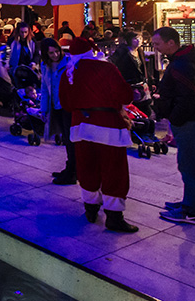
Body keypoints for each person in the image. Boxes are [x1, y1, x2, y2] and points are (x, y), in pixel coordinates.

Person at [58, 37, 139, 233]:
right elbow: (125, 95)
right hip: (108, 126)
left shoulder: (68, 72)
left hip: (81, 127)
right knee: (114, 170)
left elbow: (66, 104)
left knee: (87, 167)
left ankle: (90, 208)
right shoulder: (106, 68)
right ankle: (114, 216)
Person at [151, 27, 195, 225]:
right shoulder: (184, 60)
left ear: (171, 43)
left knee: (188, 165)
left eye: (157, 44)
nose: (155, 48)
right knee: (187, 164)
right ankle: (189, 202)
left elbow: (188, 99)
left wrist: (175, 120)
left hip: (190, 121)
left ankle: (193, 211)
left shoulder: (182, 65)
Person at [38, 38, 76, 185]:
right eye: (51, 53)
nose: (55, 55)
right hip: (56, 106)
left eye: (56, 51)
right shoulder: (45, 66)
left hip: (68, 106)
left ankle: (72, 172)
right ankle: (70, 167)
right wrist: (44, 109)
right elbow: (44, 88)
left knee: (71, 139)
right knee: (66, 139)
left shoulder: (68, 63)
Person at [109, 30, 152, 116]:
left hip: (141, 84)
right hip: (130, 85)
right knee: (133, 109)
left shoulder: (140, 51)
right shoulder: (122, 51)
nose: (139, 40)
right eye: (135, 39)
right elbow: (112, 61)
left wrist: (150, 81)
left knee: (146, 109)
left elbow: (143, 68)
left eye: (140, 38)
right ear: (129, 40)